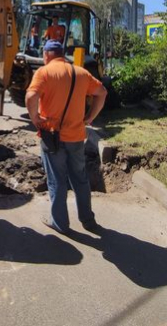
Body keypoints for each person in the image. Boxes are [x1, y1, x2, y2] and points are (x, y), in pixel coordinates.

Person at [25, 39, 107, 234]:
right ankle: (88, 220)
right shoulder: (80, 72)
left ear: (46, 55)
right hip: (77, 136)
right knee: (80, 179)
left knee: (57, 181)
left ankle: (60, 224)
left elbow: (30, 96)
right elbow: (102, 92)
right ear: (62, 54)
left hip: (51, 137)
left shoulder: (44, 73)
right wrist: (90, 117)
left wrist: (35, 118)